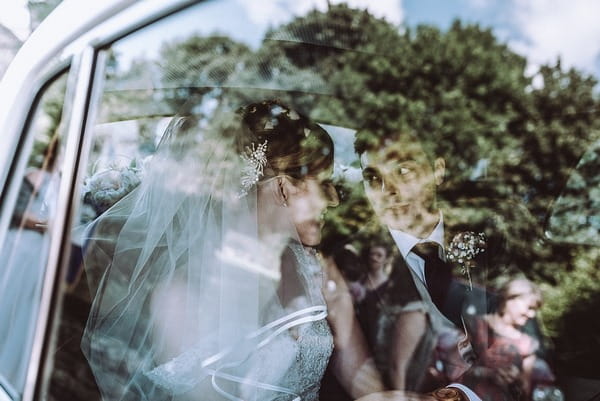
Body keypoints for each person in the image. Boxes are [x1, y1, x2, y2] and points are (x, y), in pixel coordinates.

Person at [81, 100, 385, 401]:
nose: (333, 201)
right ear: (282, 188)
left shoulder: (316, 265)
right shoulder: (180, 295)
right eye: (324, 184)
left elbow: (357, 368)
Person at [355, 128, 509, 400]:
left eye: (403, 171)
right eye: (372, 177)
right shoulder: (352, 264)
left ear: (438, 170)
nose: (387, 191)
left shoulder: (490, 236)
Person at [462, 278, 558, 401]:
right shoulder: (474, 326)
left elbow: (525, 391)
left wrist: (517, 379)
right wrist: (488, 373)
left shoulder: (527, 344)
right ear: (510, 299)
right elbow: (455, 367)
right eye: (530, 307)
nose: (532, 315)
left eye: (535, 310)